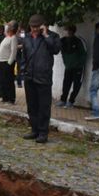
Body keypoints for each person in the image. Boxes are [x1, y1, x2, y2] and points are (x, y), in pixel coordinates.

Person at [21, 14, 61, 143]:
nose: (34, 29)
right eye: (32, 27)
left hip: (43, 77)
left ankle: (43, 133)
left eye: (37, 27)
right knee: (32, 106)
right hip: (29, 77)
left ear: (43, 26)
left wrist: (45, 35)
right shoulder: (26, 38)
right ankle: (34, 130)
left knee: (44, 107)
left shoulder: (52, 37)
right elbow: (24, 56)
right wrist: (23, 70)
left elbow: (55, 50)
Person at [57, 25, 87, 108]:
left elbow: (83, 54)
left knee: (76, 85)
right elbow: (60, 51)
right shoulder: (62, 41)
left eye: (66, 30)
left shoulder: (78, 41)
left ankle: (71, 101)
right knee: (66, 84)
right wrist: (66, 63)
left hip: (78, 68)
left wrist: (79, 64)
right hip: (68, 67)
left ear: (71, 31)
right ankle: (63, 100)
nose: (65, 31)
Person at [0, 20, 18, 103]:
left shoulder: (13, 38)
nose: (7, 26)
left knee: (9, 81)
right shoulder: (7, 37)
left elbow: (13, 52)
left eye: (9, 25)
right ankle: (4, 97)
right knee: (3, 80)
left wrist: (9, 63)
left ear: (13, 28)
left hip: (8, 63)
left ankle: (11, 99)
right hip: (1, 62)